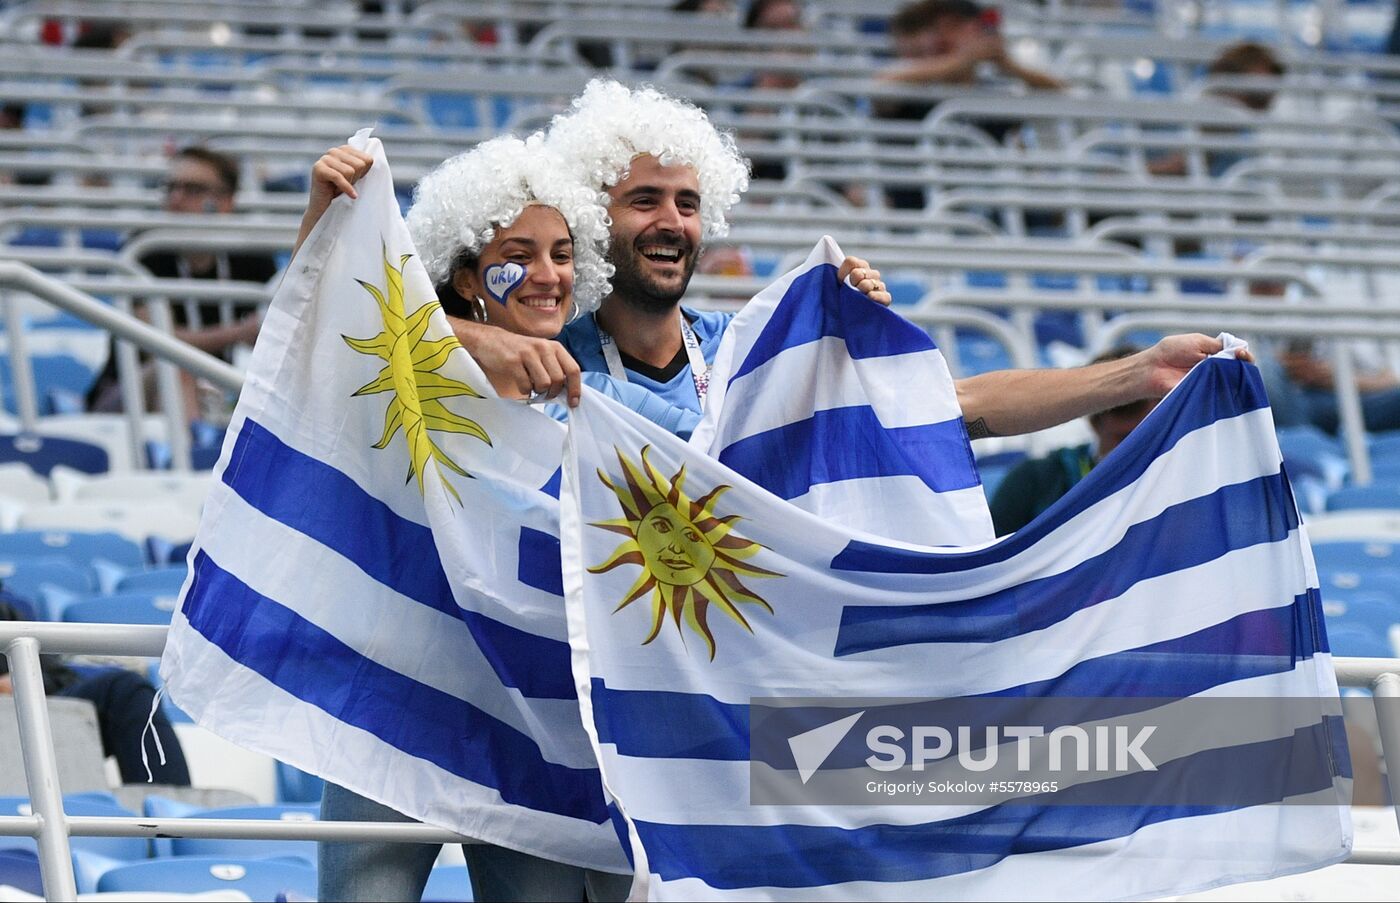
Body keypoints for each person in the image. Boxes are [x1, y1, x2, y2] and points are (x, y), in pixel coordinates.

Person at [295, 133, 706, 902]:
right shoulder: (406, 372)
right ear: (465, 275)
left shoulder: (598, 400)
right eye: (520, 255)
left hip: (531, 729)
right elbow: (318, 331)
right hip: (394, 708)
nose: (548, 274)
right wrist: (325, 213)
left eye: (563, 254)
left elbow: (724, 448)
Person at [448, 79, 1249, 443]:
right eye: (644, 200)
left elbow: (957, 406)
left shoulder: (748, 347)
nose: (672, 223)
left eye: (688, 203)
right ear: (594, 216)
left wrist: (1135, 374)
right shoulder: (542, 348)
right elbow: (405, 343)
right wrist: (484, 339)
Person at [86, 146, 280, 416]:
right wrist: (239, 332)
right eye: (171, 187)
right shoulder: (142, 250)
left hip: (216, 393)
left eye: (193, 189)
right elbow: (157, 342)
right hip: (129, 395)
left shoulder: (251, 257)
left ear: (226, 201)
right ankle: (194, 444)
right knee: (176, 365)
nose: (176, 199)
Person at [0, 601, 191, 786]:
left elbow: (60, 677)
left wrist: (25, 681)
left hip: (24, 717)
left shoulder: (6, 611)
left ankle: (166, 804)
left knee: (125, 691)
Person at [989, 346, 1156, 535]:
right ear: (1094, 421)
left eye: (1145, 437)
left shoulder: (1172, 477)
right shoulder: (1035, 479)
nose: (1130, 451)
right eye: (1123, 439)